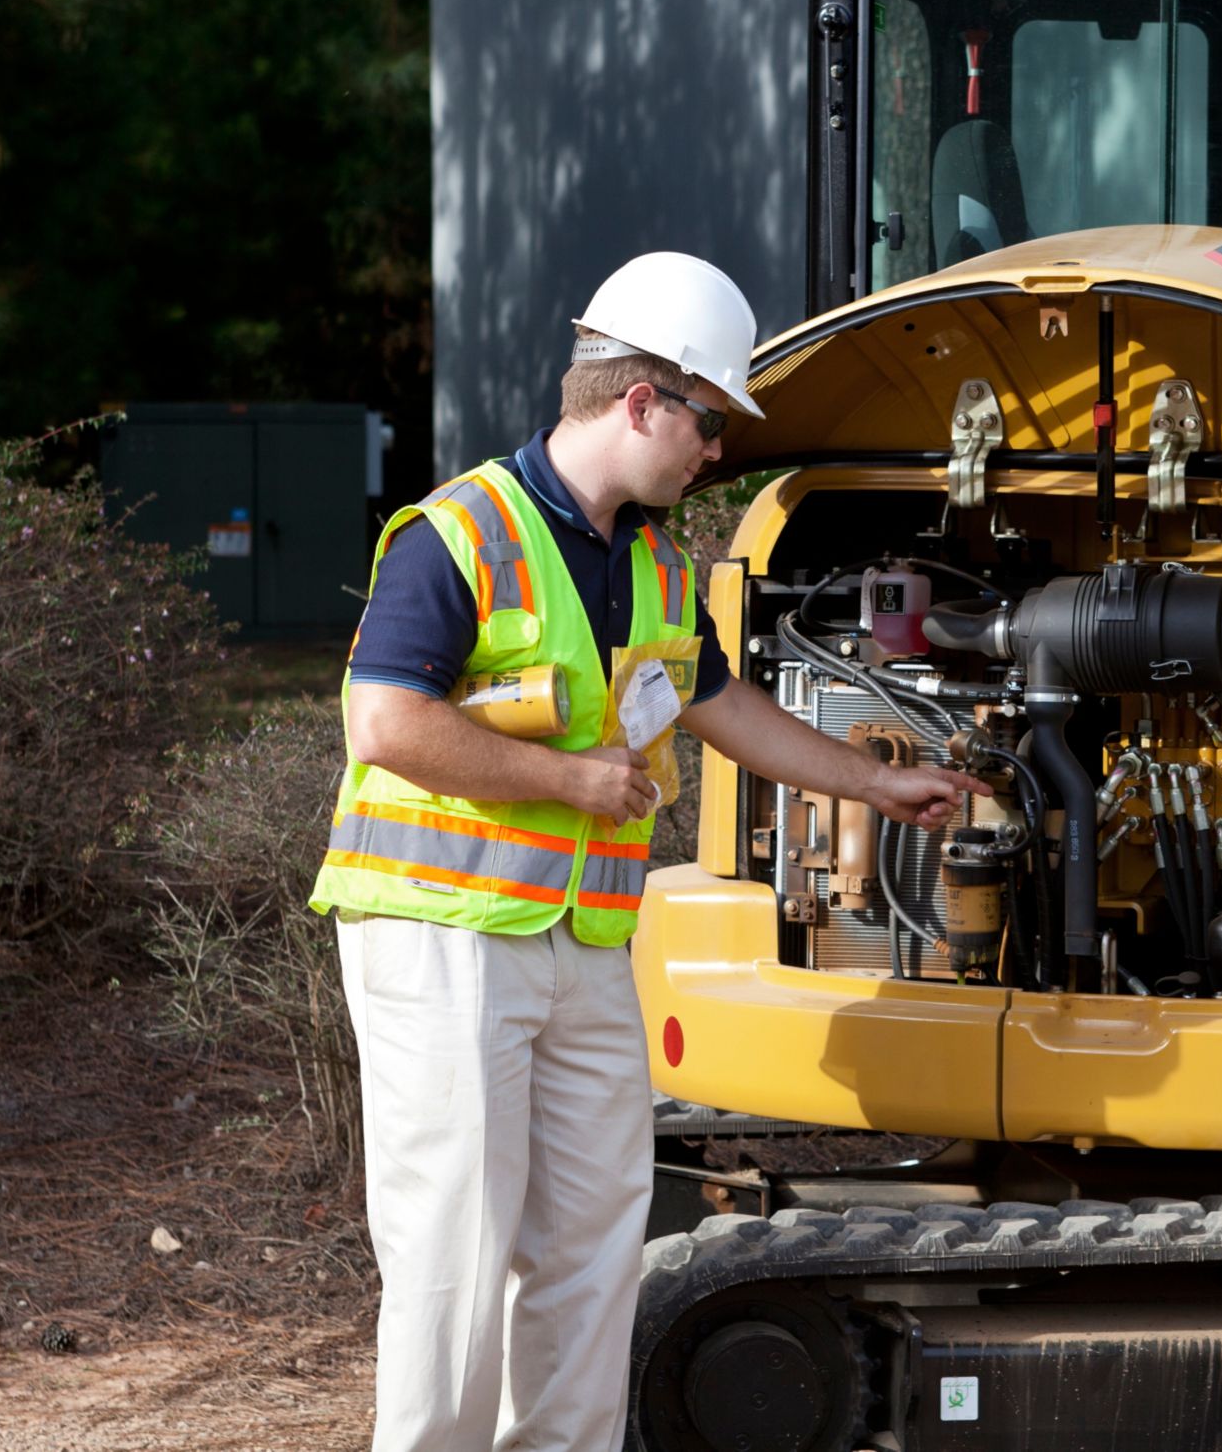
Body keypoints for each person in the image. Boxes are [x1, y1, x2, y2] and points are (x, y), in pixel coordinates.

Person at [310, 250, 987, 1452]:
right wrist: (571, 778)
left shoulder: (658, 564)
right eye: (710, 418)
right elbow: (385, 721)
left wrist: (879, 782)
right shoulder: (458, 534)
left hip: (580, 941)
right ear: (640, 401)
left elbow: (724, 708)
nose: (716, 449)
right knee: (456, 1248)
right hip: (443, 936)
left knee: (591, 1239)